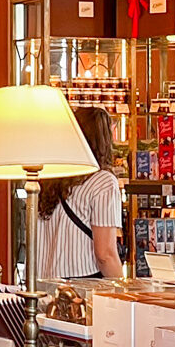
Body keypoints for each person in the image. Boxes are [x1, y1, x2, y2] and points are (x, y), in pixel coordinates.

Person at [37, 106, 123, 281]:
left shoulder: (50, 177)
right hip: (82, 288)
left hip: (45, 284)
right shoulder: (103, 182)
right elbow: (105, 254)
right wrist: (123, 288)